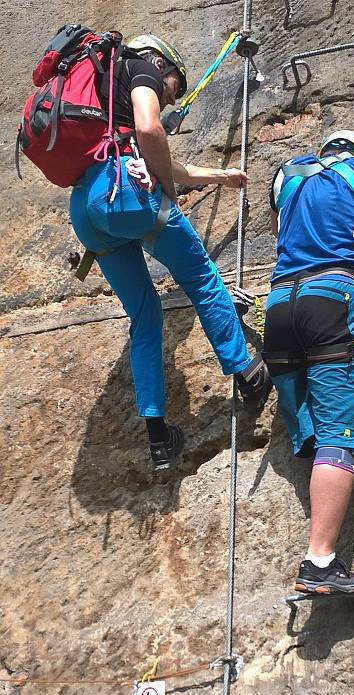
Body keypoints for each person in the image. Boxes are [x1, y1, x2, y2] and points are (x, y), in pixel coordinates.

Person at [68, 34, 270, 470]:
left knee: (144, 314)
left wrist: (220, 176)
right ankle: (248, 373)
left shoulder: (101, 99)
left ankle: (158, 436)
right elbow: (149, 130)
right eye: (174, 87)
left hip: (88, 207)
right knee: (200, 277)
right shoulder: (139, 68)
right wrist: (169, 195)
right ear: (160, 62)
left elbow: (148, 152)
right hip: (127, 192)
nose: (170, 96)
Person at [263, 130, 354, 594]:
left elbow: (280, 232)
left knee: (306, 430)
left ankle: (319, 506)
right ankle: (320, 562)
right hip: (331, 297)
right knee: (337, 435)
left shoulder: (286, 175)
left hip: (279, 303)